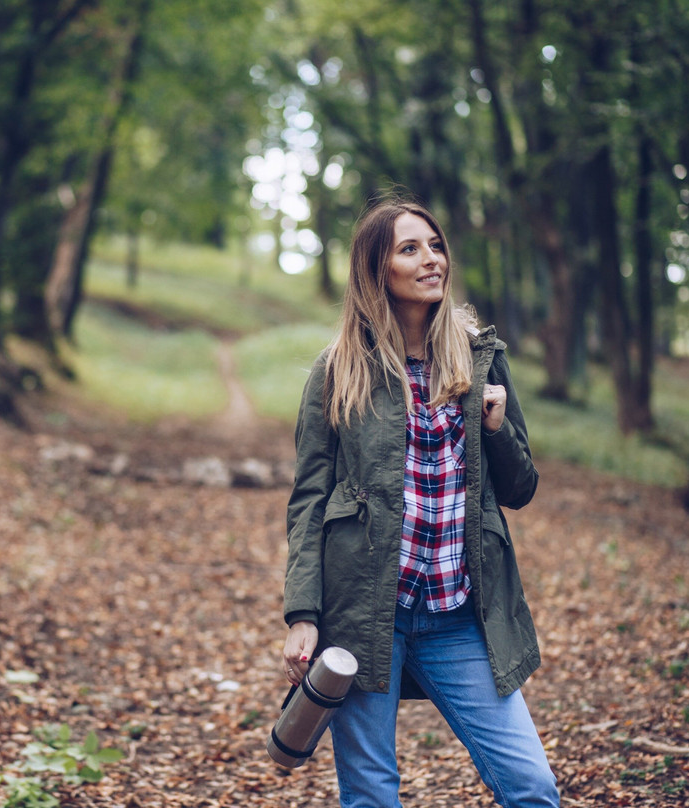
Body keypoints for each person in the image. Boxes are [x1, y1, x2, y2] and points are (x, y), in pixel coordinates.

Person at [281, 198, 559, 807]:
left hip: (459, 614)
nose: (431, 259)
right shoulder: (338, 372)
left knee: (532, 787)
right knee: (373, 794)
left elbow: (520, 489)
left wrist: (496, 427)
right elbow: (308, 500)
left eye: (435, 245)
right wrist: (303, 611)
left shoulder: (479, 358)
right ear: (376, 271)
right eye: (410, 249)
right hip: (362, 613)